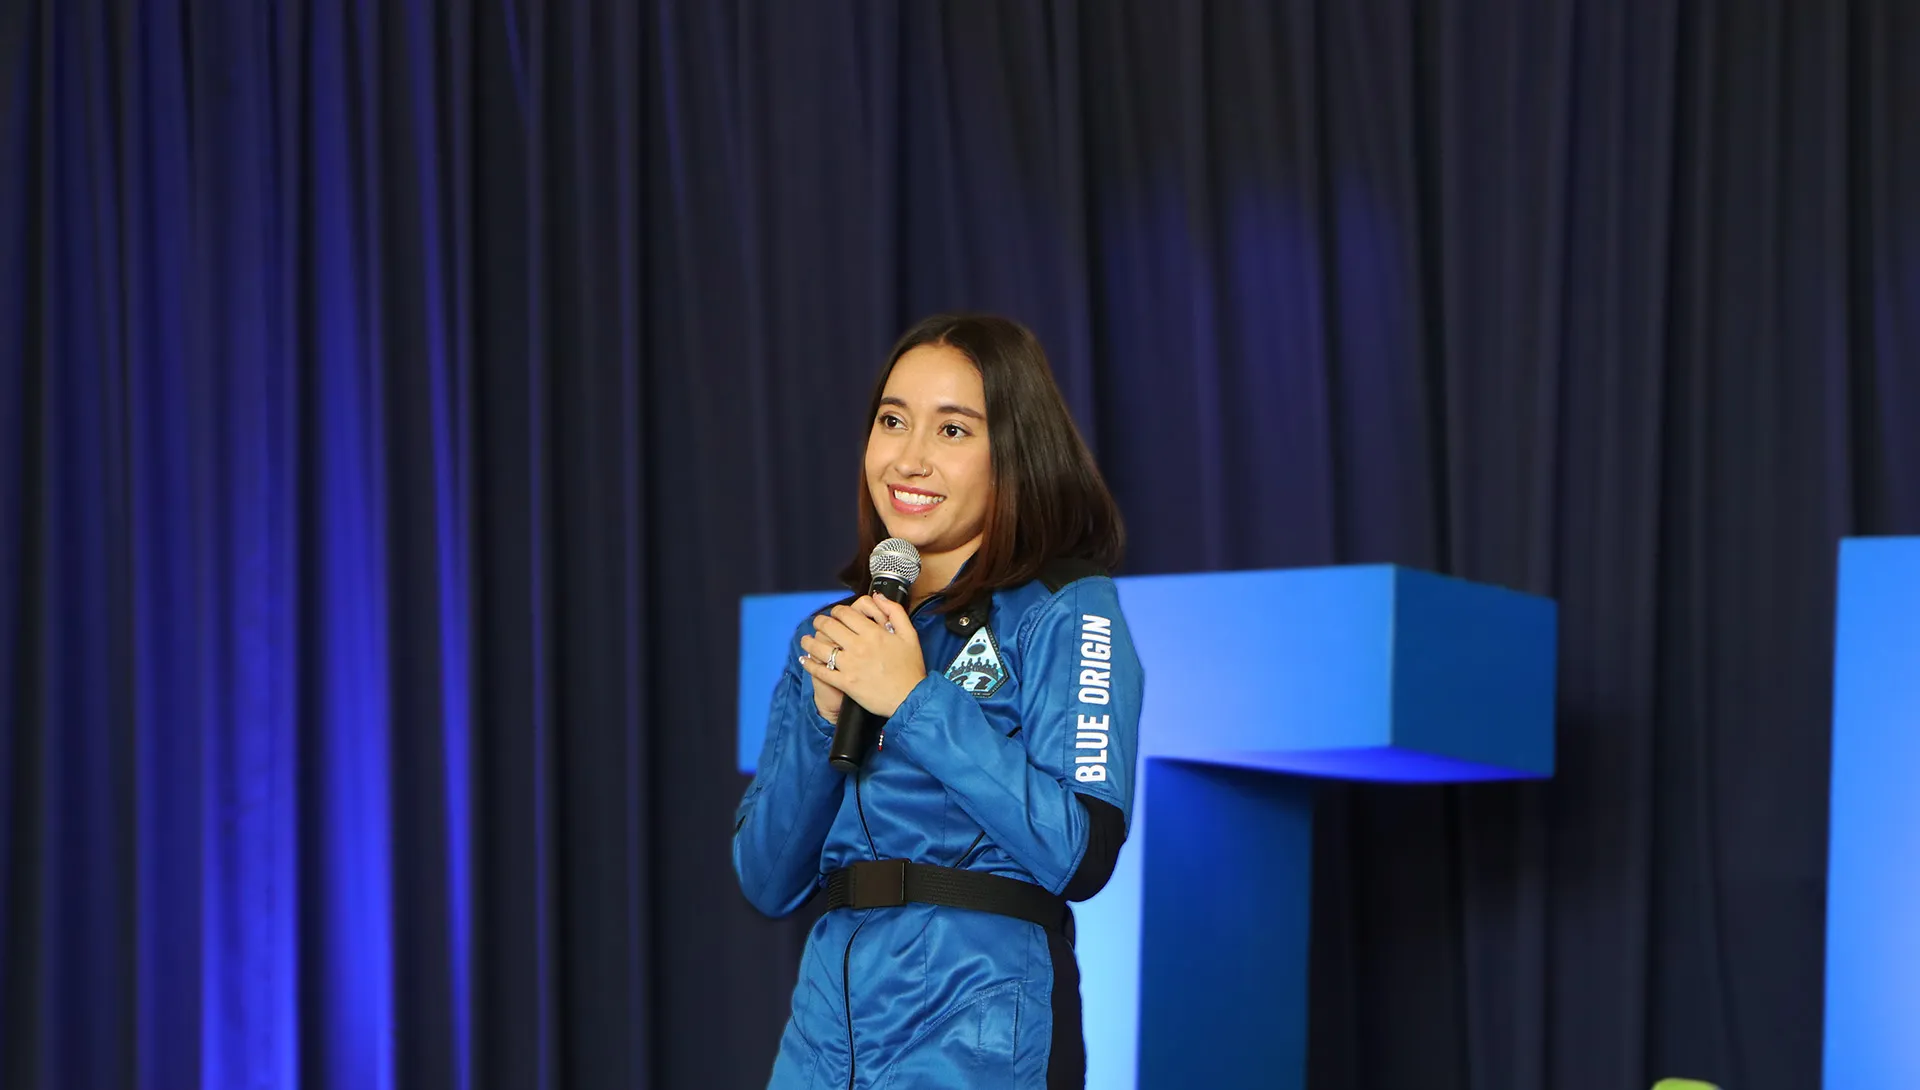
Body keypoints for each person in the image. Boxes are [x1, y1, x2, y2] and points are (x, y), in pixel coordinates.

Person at [732, 313, 1145, 1089]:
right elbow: (765, 877)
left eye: (953, 431)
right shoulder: (832, 634)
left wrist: (915, 699)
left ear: (1013, 455)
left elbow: (1080, 851)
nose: (910, 458)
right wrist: (823, 718)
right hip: (824, 1042)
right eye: (893, 421)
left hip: (979, 1033)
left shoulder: (1068, 608)